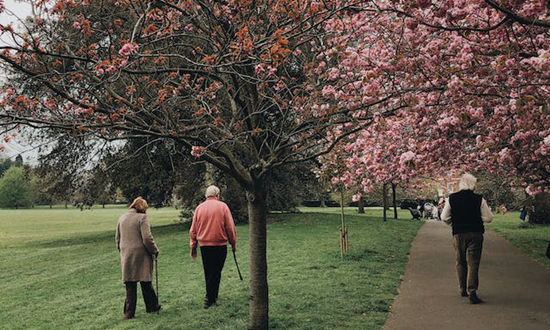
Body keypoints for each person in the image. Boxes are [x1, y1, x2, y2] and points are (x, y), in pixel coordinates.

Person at [441, 173, 493, 304]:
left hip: (458, 233)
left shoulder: (452, 198)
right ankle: (472, 291)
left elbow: (444, 218)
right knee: (473, 263)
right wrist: (475, 217)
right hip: (475, 233)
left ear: (461, 184)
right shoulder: (479, 199)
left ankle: (462, 288)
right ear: (473, 184)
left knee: (460, 261)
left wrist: (456, 220)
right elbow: (489, 218)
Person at [190, 185, 237, 309]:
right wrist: (233, 243)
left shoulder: (199, 208)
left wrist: (193, 246)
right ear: (217, 195)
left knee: (209, 271)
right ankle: (210, 298)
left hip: (204, 245)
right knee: (216, 271)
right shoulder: (223, 207)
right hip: (220, 245)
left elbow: (193, 230)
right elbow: (230, 228)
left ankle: (212, 296)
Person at [115, 197, 161, 319]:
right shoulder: (142, 218)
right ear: (142, 208)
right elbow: (147, 238)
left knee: (130, 284)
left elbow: (117, 238)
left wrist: (122, 250)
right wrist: (154, 250)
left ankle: (129, 313)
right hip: (141, 254)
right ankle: (152, 306)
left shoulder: (122, 217)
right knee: (145, 281)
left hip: (127, 254)